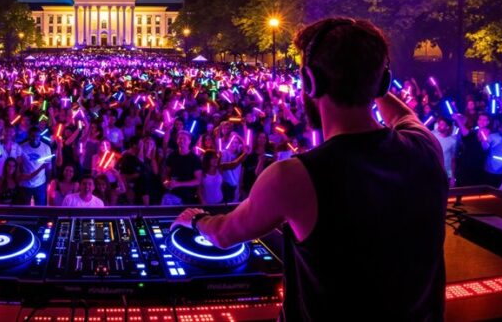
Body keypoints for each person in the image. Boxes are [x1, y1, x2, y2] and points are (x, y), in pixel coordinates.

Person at [172, 17, 447, 320]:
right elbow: (404, 117)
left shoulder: (294, 177)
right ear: (383, 82)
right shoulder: (426, 147)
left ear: (310, 81)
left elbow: (224, 234)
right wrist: (371, 78)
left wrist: (196, 220)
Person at [17, 126, 52, 205]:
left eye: (37, 136)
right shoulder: (21, 147)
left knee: (40, 210)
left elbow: (49, 168)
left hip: (40, 183)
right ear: (29, 136)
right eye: (32, 136)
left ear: (40, 137)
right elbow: (18, 165)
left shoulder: (46, 148)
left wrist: (48, 182)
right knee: (24, 210)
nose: (34, 138)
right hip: (25, 184)